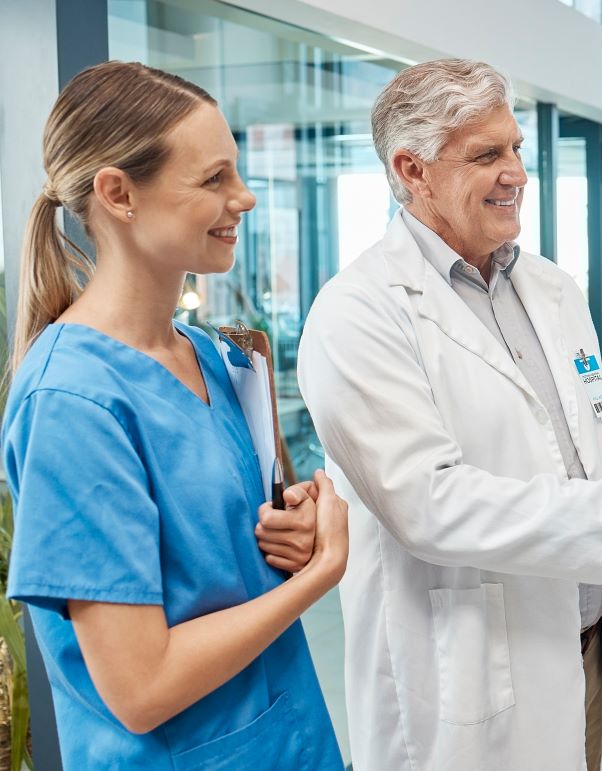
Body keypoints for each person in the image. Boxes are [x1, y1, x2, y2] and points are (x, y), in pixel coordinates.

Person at [296, 58, 602, 771]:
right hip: (474, 681)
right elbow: (430, 504)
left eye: (515, 148)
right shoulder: (358, 313)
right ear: (412, 170)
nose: (516, 172)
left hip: (589, 651)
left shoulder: (552, 288)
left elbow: (578, 453)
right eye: (486, 155)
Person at [5, 61, 348, 768]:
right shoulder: (72, 403)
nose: (245, 198)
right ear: (118, 193)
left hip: (291, 739)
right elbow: (142, 686)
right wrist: (319, 579)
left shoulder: (207, 357)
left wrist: (296, 528)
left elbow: (224, 558)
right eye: (214, 178)